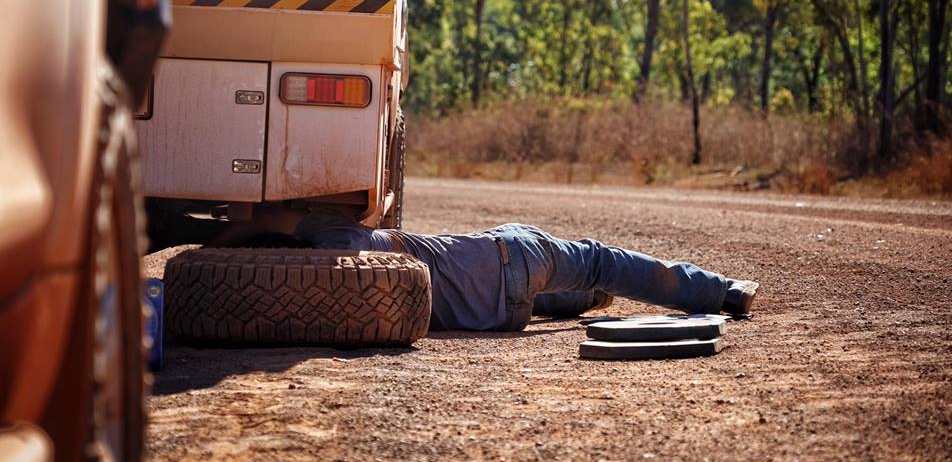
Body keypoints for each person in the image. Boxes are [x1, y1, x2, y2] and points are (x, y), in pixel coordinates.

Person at [235, 208, 759, 332]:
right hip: (511, 257)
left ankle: (586, 299)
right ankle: (721, 294)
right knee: (599, 258)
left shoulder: (326, 306)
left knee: (536, 293)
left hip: (500, 316)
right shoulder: (336, 237)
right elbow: (274, 215)